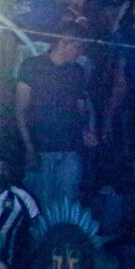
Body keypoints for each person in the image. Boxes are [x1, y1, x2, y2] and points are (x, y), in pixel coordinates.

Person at [16, 27, 93, 206]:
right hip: (41, 148)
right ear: (63, 43)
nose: (79, 53)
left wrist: (85, 129)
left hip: (71, 147)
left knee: (68, 204)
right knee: (42, 204)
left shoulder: (77, 71)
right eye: (77, 47)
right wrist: (29, 148)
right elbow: (20, 111)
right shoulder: (32, 66)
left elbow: (80, 106)